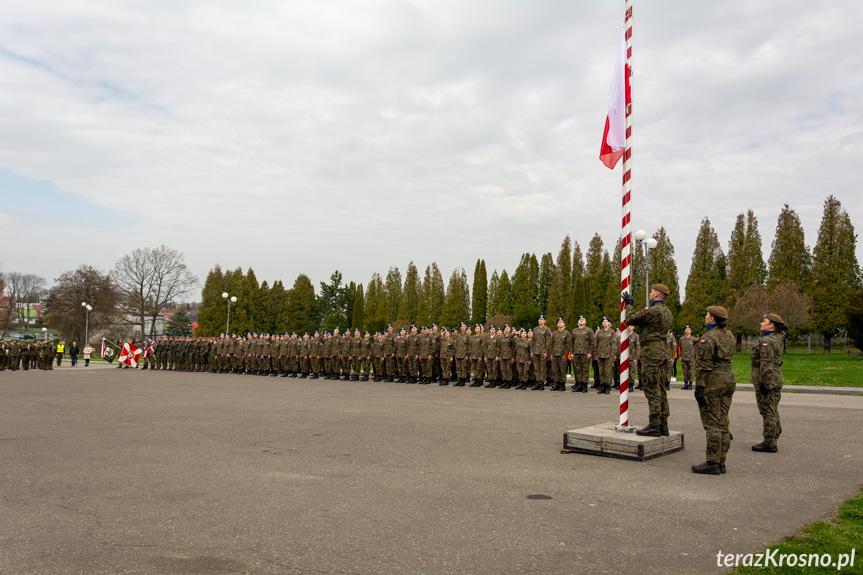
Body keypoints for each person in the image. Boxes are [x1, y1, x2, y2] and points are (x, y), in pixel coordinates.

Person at [623, 284, 675, 436]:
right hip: (662, 351)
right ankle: (663, 425)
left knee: (652, 390)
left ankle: (654, 426)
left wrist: (629, 305)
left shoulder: (652, 311)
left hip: (651, 353)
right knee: (661, 389)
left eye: (652, 291)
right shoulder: (668, 313)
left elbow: (631, 319)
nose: (651, 293)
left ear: (657, 294)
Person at [692, 306, 736, 475]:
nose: (705, 316)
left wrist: (699, 387)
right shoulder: (729, 335)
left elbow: (703, 366)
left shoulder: (707, 338)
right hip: (728, 379)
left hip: (713, 381)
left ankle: (712, 462)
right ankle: (721, 462)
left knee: (712, 423)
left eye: (707, 315)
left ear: (712, 319)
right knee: (723, 420)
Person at [751, 313, 788, 453]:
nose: (761, 323)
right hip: (776, 377)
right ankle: (774, 436)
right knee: (773, 409)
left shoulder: (767, 341)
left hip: (767, 379)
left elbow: (766, 364)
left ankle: (769, 442)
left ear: (771, 325)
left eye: (764, 321)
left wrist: (764, 382)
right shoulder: (778, 337)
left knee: (767, 411)